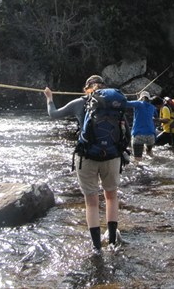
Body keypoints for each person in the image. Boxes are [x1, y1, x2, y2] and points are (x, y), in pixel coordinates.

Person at [43, 75, 122, 251]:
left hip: (86, 157)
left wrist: (49, 98)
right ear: (104, 88)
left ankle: (96, 248)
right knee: (111, 197)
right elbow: (125, 130)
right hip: (111, 156)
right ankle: (112, 243)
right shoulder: (115, 103)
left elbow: (53, 114)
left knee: (92, 202)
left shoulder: (79, 102)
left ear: (86, 88)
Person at [125, 91, 156, 163]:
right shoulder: (152, 107)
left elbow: (126, 104)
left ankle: (141, 172)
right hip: (151, 135)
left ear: (141, 98)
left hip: (138, 134)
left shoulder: (138, 104)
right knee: (149, 153)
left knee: (137, 159)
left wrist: (123, 97)